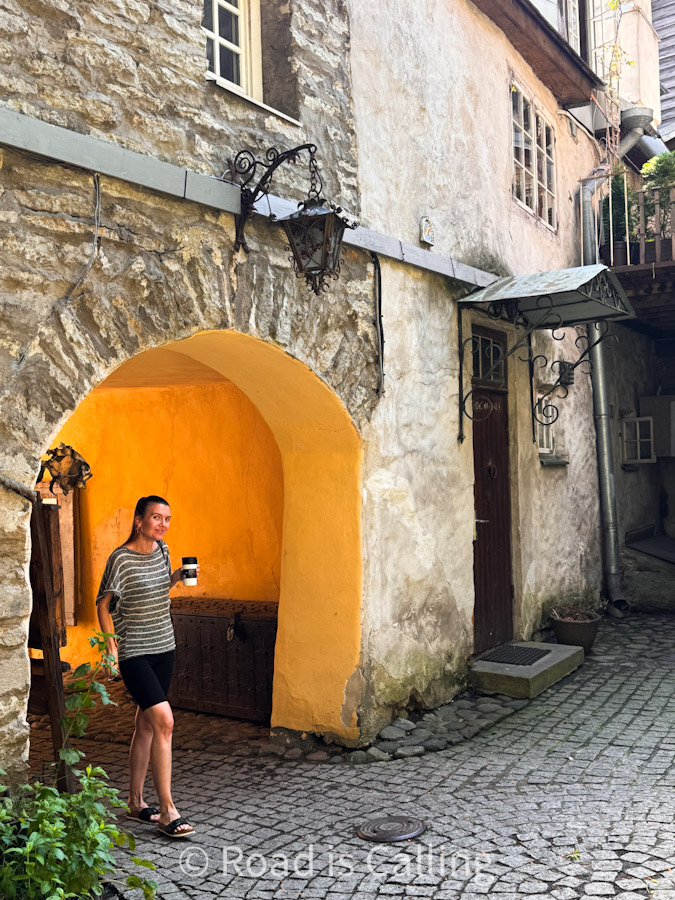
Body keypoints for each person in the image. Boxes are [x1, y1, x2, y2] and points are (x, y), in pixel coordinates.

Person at [96, 495, 196, 838]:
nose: (163, 524)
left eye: (167, 518)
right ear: (139, 521)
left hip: (163, 648)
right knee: (164, 720)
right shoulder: (120, 559)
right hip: (135, 652)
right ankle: (168, 811)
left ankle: (136, 803)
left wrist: (175, 577)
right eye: (156, 517)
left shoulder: (163, 550)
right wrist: (111, 647)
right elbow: (104, 603)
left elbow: (155, 591)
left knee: (147, 724)